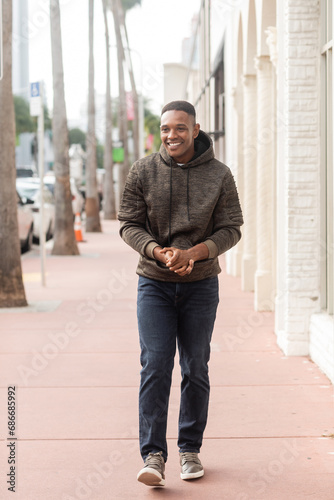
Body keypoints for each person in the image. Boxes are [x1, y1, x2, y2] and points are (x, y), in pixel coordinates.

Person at [118, 100, 243, 487]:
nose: (172, 135)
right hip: (154, 283)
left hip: (201, 285)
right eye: (166, 129)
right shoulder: (142, 170)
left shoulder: (220, 175)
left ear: (195, 128)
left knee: (195, 366)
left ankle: (190, 449)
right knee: (155, 365)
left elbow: (232, 228)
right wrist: (159, 252)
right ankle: (153, 456)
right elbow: (128, 223)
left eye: (180, 128)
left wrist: (194, 253)